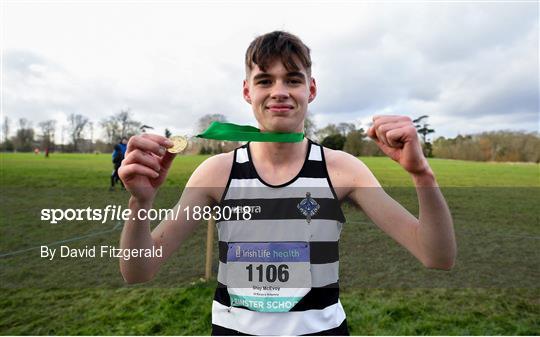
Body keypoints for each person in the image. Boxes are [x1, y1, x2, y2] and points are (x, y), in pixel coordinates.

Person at [118, 31, 456, 335]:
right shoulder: (215, 173)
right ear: (247, 91)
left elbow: (436, 255)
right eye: (265, 80)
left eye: (292, 79)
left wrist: (422, 175)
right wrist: (140, 203)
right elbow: (139, 270)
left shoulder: (343, 170)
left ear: (311, 88)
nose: (279, 92)